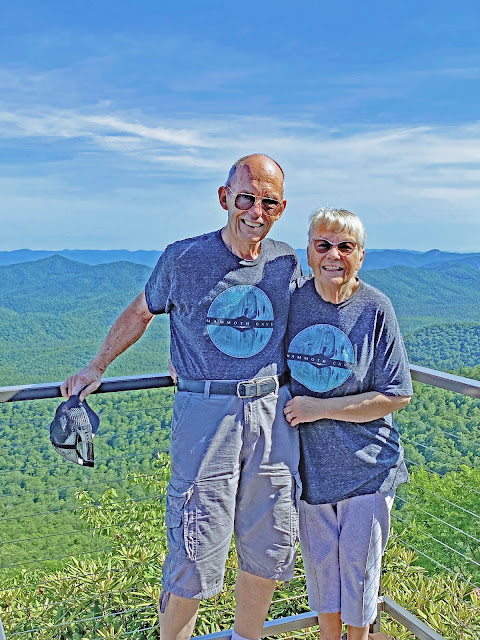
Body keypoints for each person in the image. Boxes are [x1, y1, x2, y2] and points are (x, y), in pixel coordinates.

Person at [61, 154, 302, 640]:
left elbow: (301, 326)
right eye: (246, 198)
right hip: (205, 415)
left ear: (281, 208)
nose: (256, 211)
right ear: (224, 198)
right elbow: (141, 311)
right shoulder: (184, 258)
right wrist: (97, 366)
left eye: (269, 202)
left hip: (273, 412)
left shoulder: (287, 261)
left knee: (269, 541)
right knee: (194, 544)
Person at [284, 207, 412, 640]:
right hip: (310, 471)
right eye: (323, 245)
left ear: (360, 256)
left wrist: (319, 408)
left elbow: (397, 394)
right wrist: (184, 359)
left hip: (367, 469)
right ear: (308, 252)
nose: (333, 255)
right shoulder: (292, 303)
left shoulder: (375, 307)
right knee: (323, 581)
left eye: (345, 246)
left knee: (359, 580)